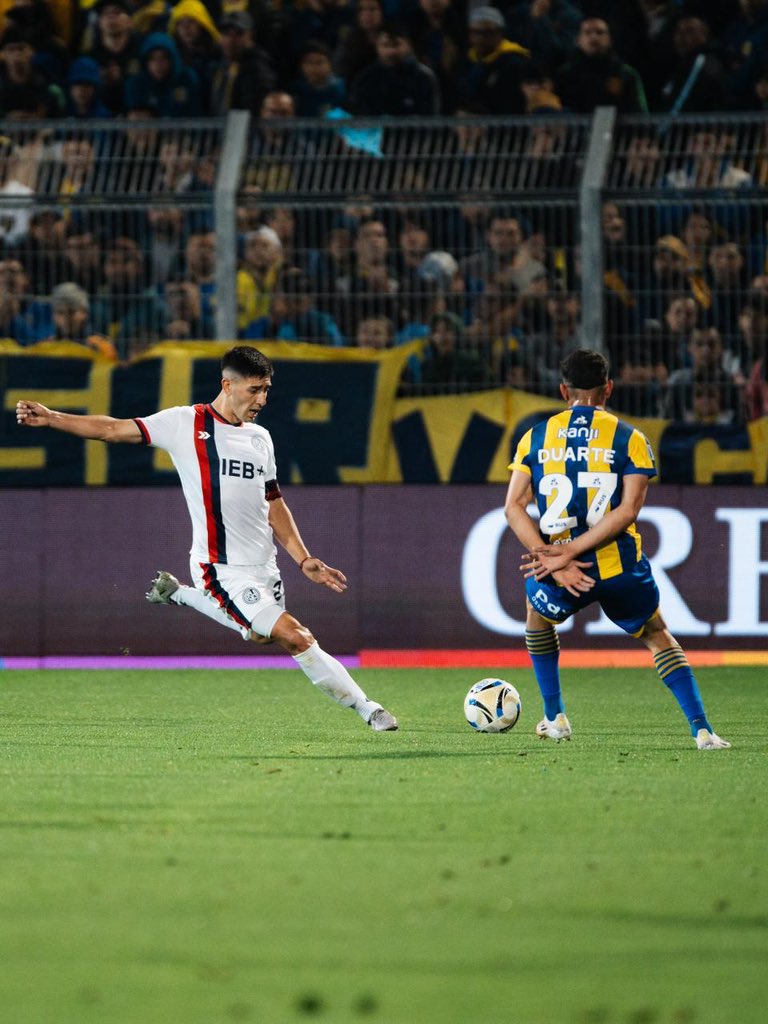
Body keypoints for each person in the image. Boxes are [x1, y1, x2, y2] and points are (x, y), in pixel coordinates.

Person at [15, 345, 399, 732]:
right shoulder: (185, 423)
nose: (262, 400)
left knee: (261, 636)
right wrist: (53, 418)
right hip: (220, 567)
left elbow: (274, 502)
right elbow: (112, 429)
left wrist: (303, 559)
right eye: (254, 390)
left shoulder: (261, 438)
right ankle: (369, 709)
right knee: (296, 636)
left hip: (264, 565)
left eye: (266, 390)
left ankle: (179, 594)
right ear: (227, 385)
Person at [504, 347, 730, 751]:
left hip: (562, 570)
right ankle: (702, 731)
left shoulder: (535, 437)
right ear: (608, 388)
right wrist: (570, 552)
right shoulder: (631, 438)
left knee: (537, 617)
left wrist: (554, 556)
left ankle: (555, 718)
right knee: (657, 634)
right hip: (619, 566)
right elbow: (627, 511)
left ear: (563, 390)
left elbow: (513, 507)